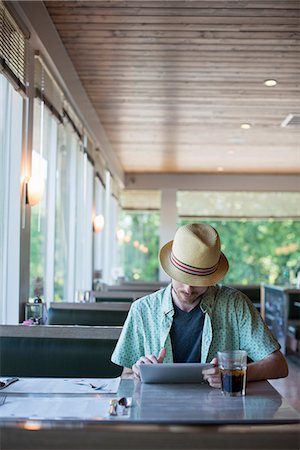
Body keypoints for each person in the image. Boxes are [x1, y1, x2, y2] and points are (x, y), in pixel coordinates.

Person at [111, 223, 288, 386]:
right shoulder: (142, 310)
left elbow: (278, 365)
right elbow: (125, 375)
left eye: (199, 280)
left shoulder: (235, 305)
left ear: (212, 278)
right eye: (182, 277)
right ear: (171, 270)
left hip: (222, 411)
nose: (188, 288)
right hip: (159, 413)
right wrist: (138, 372)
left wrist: (234, 374)